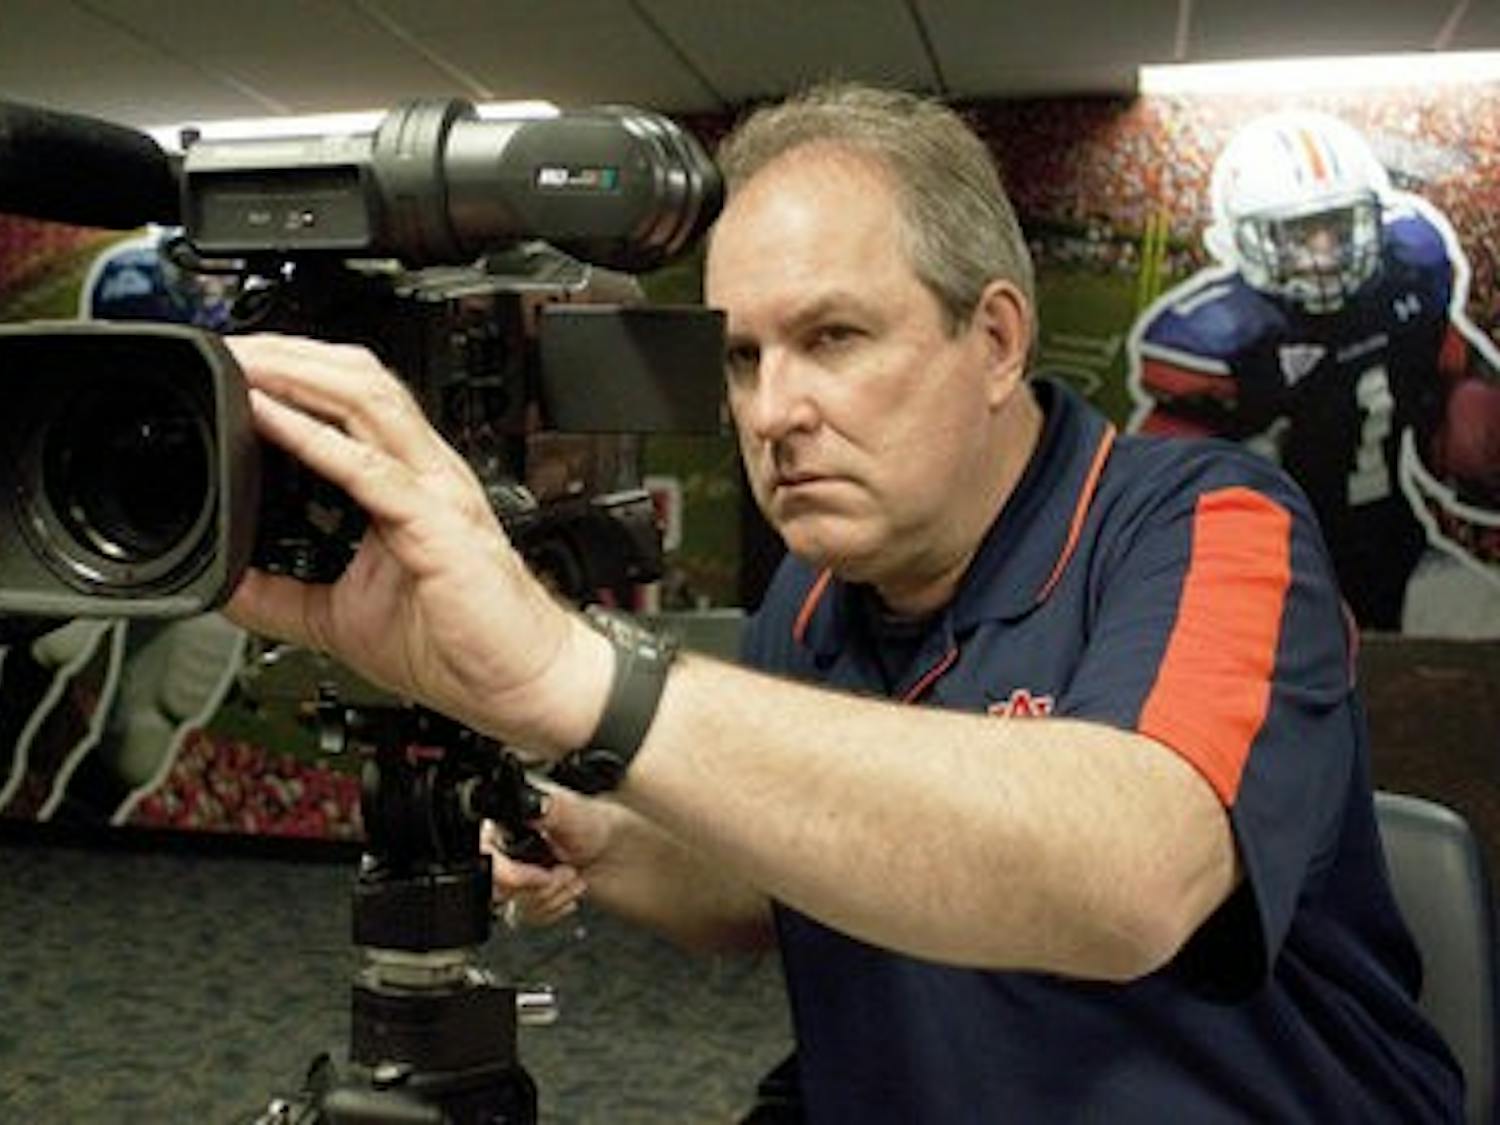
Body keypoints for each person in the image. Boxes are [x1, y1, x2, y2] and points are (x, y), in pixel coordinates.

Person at [222, 84, 1464, 1122]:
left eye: (833, 339)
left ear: (995, 340)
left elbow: (1136, 878)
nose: (772, 413)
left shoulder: (1208, 523)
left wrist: (574, 680)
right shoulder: (814, 599)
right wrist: (599, 836)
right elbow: (784, 883)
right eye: (744, 357)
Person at [1127, 109, 1500, 635]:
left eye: (1339, 227)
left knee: (1482, 623)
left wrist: (1474, 438)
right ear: (1243, 241)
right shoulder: (1223, 339)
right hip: (1274, 571)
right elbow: (1164, 499)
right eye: (1298, 234)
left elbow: (1455, 384)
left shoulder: (1408, 271)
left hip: (1397, 543)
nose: (1323, 254)